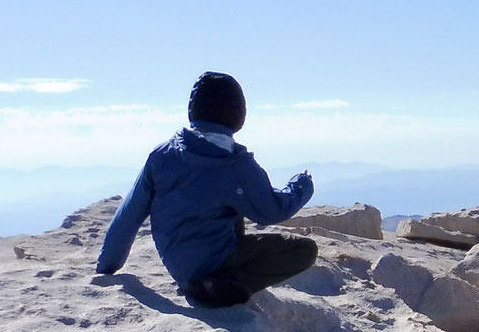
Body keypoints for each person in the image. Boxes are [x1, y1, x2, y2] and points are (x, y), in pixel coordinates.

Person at [94, 71, 318, 307]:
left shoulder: (162, 155)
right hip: (213, 264)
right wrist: (302, 184)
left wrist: (106, 266)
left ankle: (208, 283)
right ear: (238, 114)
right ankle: (220, 286)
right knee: (304, 249)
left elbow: (128, 216)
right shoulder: (234, 163)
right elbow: (272, 211)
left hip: (178, 264)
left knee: (227, 208)